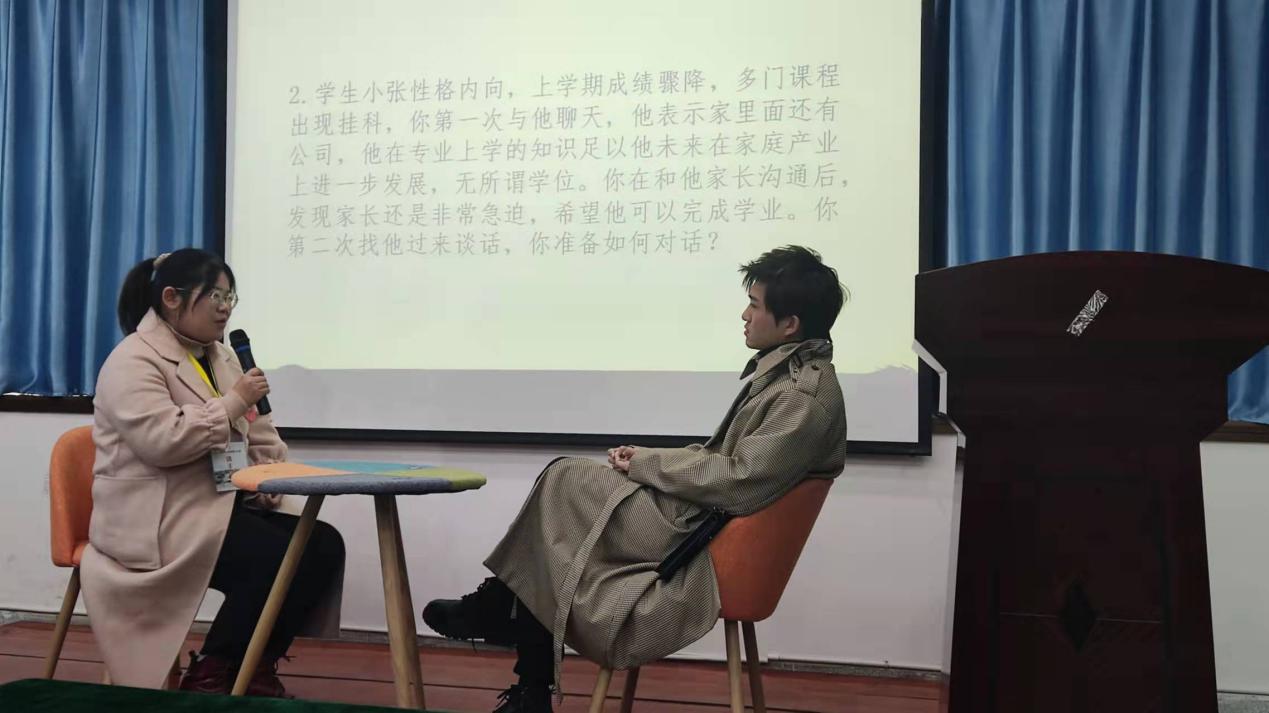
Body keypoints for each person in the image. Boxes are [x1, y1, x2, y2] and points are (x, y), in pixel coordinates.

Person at [423, 245, 849, 713]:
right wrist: (649, 458)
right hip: (702, 518)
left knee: (562, 483)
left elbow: (739, 479)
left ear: (790, 325)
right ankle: (524, 669)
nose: (744, 315)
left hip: (702, 537)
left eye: (755, 305)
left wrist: (648, 466)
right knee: (561, 489)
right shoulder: (787, 377)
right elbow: (722, 460)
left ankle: (505, 620)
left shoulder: (802, 396)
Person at [80, 248, 346, 697]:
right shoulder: (132, 361)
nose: (225, 308)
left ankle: (251, 666)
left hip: (217, 506)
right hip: (157, 519)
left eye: (230, 297)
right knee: (271, 556)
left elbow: (257, 430)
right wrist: (233, 402)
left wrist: (268, 473)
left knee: (320, 544)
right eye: (215, 297)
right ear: (171, 298)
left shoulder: (221, 356)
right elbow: (163, 441)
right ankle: (211, 673)